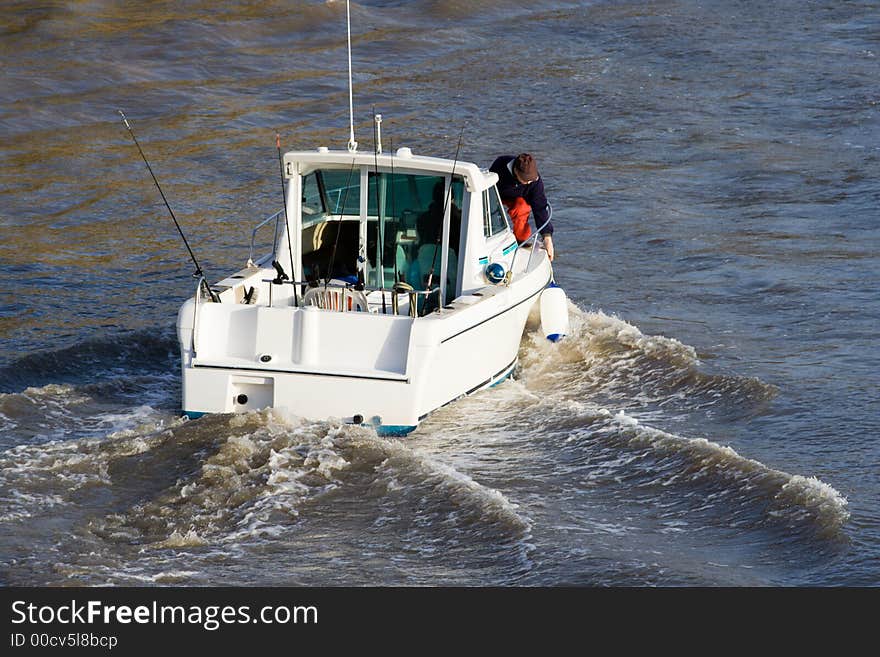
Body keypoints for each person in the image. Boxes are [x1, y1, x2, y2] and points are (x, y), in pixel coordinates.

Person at [489, 153, 554, 260]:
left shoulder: (535, 182)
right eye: (526, 180)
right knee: (490, 211)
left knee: (522, 208)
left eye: (531, 180)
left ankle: (521, 241)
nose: (529, 182)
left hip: (517, 199)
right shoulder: (500, 165)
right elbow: (489, 188)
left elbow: (540, 207)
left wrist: (547, 237)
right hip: (496, 193)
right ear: (516, 171)